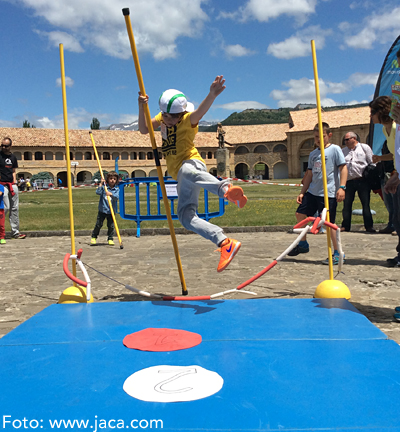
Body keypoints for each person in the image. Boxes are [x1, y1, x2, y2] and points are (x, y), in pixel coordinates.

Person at [138, 76, 247, 272]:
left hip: (192, 165)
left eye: (173, 117)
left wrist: (212, 94)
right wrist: (141, 106)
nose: (168, 120)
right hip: (181, 176)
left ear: (182, 114)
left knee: (186, 170)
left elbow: (200, 112)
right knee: (186, 217)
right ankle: (224, 242)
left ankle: (226, 189)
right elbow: (144, 129)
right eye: (165, 115)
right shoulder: (162, 118)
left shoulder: (188, 120)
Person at [288, 122, 348, 264]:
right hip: (313, 192)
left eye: (322, 136)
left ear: (329, 135)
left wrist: (342, 187)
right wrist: (303, 192)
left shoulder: (334, 150)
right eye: (316, 137)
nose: (319, 139)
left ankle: (338, 253)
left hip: (328, 193)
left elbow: (343, 169)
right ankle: (303, 244)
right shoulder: (313, 154)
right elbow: (309, 174)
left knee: (329, 224)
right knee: (300, 214)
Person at [341, 132, 375, 233]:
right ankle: (345, 226)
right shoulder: (343, 151)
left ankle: (369, 226)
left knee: (365, 204)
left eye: (347, 140)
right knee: (346, 205)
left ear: (354, 138)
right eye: (345, 140)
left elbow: (372, 162)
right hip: (349, 181)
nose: (346, 142)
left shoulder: (364, 148)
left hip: (362, 180)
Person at [0, 137, 26, 239]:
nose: (3, 147)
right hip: (1, 185)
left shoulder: (13, 158)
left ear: (10, 146)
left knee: (14, 208)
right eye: (2, 145)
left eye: (6, 146)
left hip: (11, 185)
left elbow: (14, 170)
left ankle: (15, 231)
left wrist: (14, 183)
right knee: (4, 207)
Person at [90, 171, 120, 246]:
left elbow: (116, 198)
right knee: (98, 225)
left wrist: (111, 194)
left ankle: (110, 239)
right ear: (107, 179)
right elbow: (98, 192)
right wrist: (101, 183)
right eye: (111, 178)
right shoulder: (104, 188)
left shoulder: (116, 190)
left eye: (114, 179)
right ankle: (94, 237)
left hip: (111, 211)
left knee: (111, 226)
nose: (112, 180)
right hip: (102, 210)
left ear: (116, 180)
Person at [372, 140, 396, 234]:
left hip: (394, 174)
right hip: (384, 175)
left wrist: (380, 158)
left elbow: (393, 156)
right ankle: (391, 225)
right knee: (389, 203)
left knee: (396, 203)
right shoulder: (386, 142)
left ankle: (396, 227)